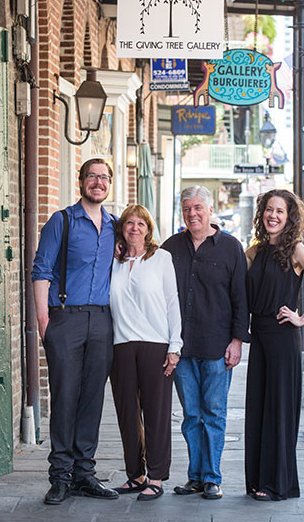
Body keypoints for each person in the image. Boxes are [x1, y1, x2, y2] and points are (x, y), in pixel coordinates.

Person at [32, 158, 119, 505]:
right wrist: (44, 323)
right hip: (65, 319)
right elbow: (41, 270)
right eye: (92, 177)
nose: (97, 182)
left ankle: (85, 474)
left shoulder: (115, 225)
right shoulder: (62, 221)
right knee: (65, 397)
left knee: (93, 398)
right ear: (81, 181)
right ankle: (60, 477)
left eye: (103, 177)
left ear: (109, 184)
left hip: (102, 320)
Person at [245, 189, 304, 502]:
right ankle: (259, 480)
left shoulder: (296, 249)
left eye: (280, 211)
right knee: (259, 407)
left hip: (283, 337)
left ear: (289, 217)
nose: (273, 216)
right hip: (258, 337)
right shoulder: (255, 251)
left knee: (279, 411)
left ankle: (277, 484)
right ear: (262, 214)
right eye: (269, 210)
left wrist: (302, 318)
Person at [162, 186, 250, 500]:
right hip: (181, 349)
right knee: (191, 417)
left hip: (217, 347)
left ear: (210, 210)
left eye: (198, 207)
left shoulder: (230, 247)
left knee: (214, 414)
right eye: (187, 209)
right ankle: (195, 477)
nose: (192, 214)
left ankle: (212, 477)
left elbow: (241, 299)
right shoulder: (170, 248)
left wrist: (237, 341)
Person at [109, 205, 182, 501]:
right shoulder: (112, 260)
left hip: (156, 344)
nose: (135, 228)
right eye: (129, 223)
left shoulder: (162, 258)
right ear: (122, 228)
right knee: (127, 412)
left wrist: (175, 346)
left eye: (141, 223)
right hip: (121, 344)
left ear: (149, 229)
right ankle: (135, 475)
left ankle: (156, 476)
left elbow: (172, 301)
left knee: (156, 412)